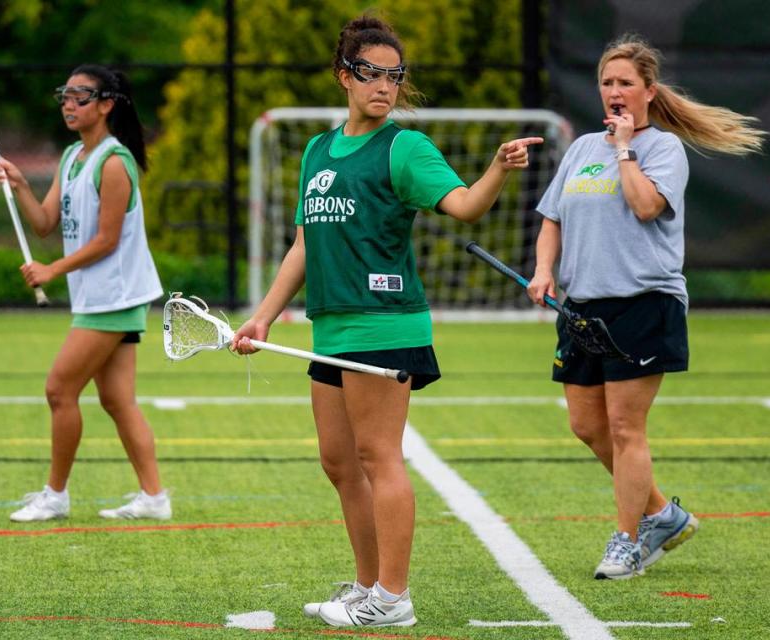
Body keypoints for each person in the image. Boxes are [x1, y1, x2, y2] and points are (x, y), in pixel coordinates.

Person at [232, 14, 542, 627]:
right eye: (372, 73)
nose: (385, 85)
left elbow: (465, 207)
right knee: (339, 462)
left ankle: (393, 599)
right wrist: (263, 317)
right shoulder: (319, 150)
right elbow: (303, 244)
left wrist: (498, 171)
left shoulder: (404, 146)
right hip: (331, 327)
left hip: (386, 324)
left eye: (395, 76)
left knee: (379, 457)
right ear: (344, 76)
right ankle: (369, 585)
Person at [528, 34, 767, 579]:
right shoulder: (582, 149)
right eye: (607, 83)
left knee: (625, 425)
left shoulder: (662, 150)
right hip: (582, 307)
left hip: (644, 302)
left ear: (648, 92)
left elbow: (643, 206)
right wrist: (544, 271)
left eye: (625, 83)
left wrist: (625, 148)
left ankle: (628, 539)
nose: (614, 92)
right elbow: (553, 219)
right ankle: (661, 512)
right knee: (587, 425)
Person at [0, 64, 170, 523]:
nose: (69, 104)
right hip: (100, 297)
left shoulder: (113, 163)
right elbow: (46, 223)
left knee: (59, 388)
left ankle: (56, 494)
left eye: (80, 97)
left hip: (114, 297)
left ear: (106, 104)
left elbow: (106, 240)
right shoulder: (73, 157)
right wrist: (20, 185)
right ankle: (154, 496)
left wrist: (52, 270)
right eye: (64, 95)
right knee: (116, 400)